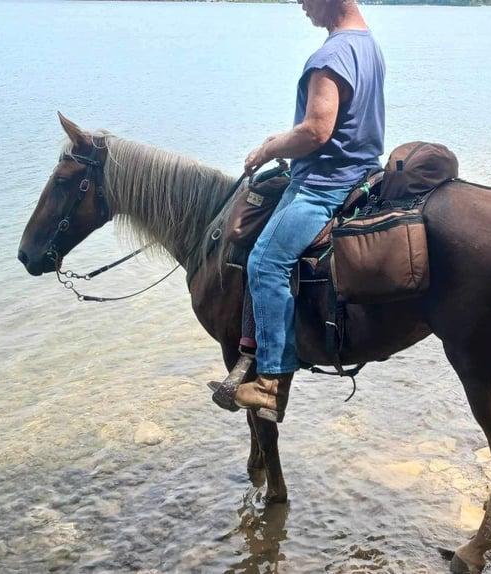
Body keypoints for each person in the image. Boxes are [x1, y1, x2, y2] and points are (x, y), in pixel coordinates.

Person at [210, 0, 385, 423]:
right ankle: (251, 353)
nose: (303, 6)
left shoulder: (330, 56)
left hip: (324, 185)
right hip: (359, 171)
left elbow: (317, 131)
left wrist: (270, 148)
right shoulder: (366, 44)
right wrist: (284, 137)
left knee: (266, 262)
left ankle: (270, 383)